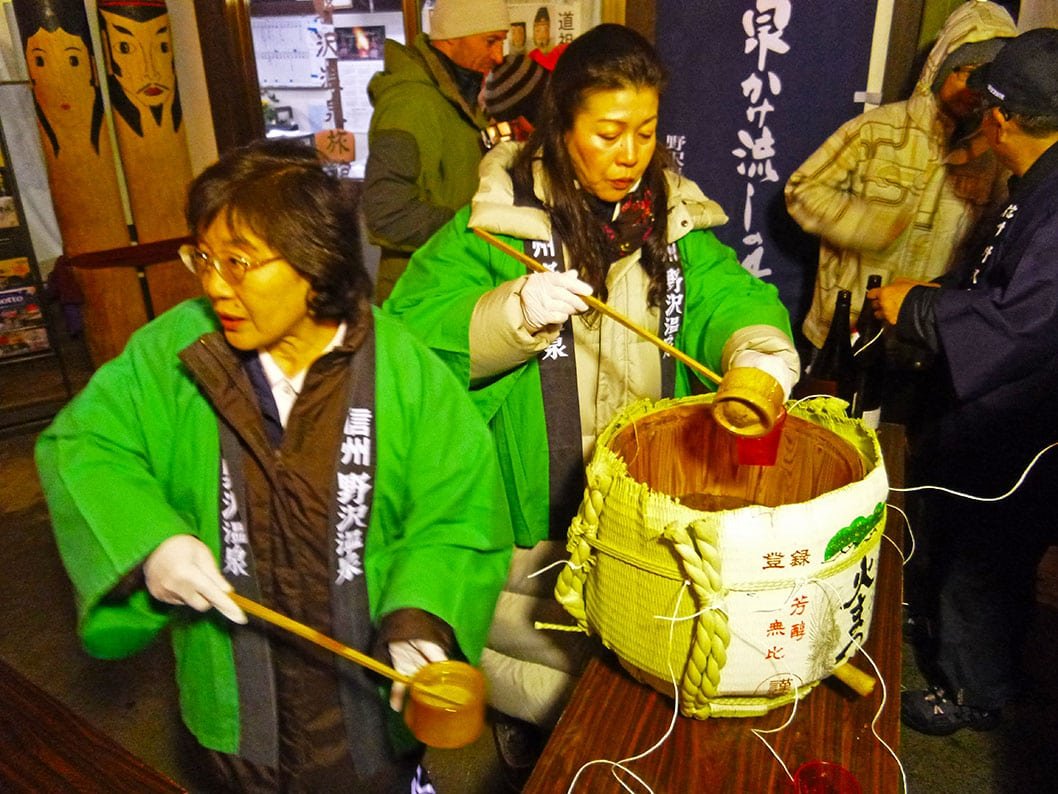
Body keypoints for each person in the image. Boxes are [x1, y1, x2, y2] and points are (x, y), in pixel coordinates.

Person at [35, 139, 514, 791]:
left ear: (315, 260)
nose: (213, 284)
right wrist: (152, 541)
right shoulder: (176, 351)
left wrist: (421, 617)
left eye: (238, 262)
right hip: (237, 712)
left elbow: (457, 513)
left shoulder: (404, 372)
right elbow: (84, 445)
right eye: (202, 257)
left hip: (365, 718)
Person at [384, 22, 799, 766]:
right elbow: (410, 344)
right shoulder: (495, 227)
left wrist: (758, 359)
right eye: (607, 133)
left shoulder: (666, 220)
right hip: (529, 510)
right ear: (561, 125)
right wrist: (512, 313)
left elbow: (726, 296)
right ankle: (537, 751)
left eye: (644, 131)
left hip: (632, 501)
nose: (629, 154)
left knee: (635, 659)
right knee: (558, 674)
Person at [868, 28, 1058, 736]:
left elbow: (1023, 322)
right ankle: (952, 645)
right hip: (1000, 412)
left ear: (1005, 119)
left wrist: (917, 305)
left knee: (987, 558)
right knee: (963, 540)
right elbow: (997, 282)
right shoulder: (1039, 182)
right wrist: (936, 292)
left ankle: (973, 692)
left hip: (1021, 424)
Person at [785, 1, 1017, 357]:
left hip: (922, 342)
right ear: (939, 68)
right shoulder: (877, 129)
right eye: (964, 73)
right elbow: (801, 190)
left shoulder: (996, 156)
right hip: (845, 328)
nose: (974, 90)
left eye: (986, 81)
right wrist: (865, 224)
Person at [364, 0, 509, 304]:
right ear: (452, 36)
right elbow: (387, 213)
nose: (498, 56)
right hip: (415, 299)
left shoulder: (458, 99)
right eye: (491, 41)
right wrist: (476, 225)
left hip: (447, 288)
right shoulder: (410, 103)